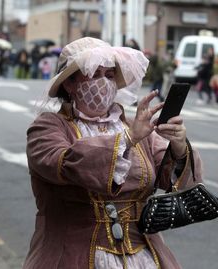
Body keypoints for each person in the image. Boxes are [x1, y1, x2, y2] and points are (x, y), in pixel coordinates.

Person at [24, 37, 204, 269]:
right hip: (72, 255)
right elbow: (66, 163)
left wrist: (178, 145)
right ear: (70, 84)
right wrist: (128, 140)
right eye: (95, 74)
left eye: (109, 76)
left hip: (143, 254)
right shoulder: (47, 127)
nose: (104, 83)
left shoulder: (134, 127)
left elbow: (174, 180)